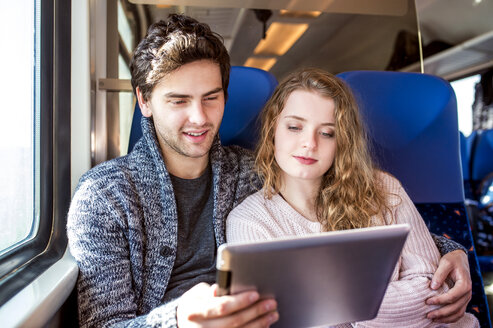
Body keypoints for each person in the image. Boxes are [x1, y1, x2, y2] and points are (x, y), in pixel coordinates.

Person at [67, 14, 471, 328]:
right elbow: (103, 323)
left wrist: (451, 249)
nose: (199, 117)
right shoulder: (105, 196)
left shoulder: (254, 170)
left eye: (211, 98)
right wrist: (178, 320)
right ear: (144, 101)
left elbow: (345, 199)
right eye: (178, 101)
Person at [226, 68, 479, 327]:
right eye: (294, 127)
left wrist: (328, 309)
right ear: (272, 130)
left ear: (342, 142)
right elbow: (277, 319)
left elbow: (434, 291)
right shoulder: (249, 222)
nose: (309, 143)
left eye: (327, 133)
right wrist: (384, 306)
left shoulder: (384, 189)